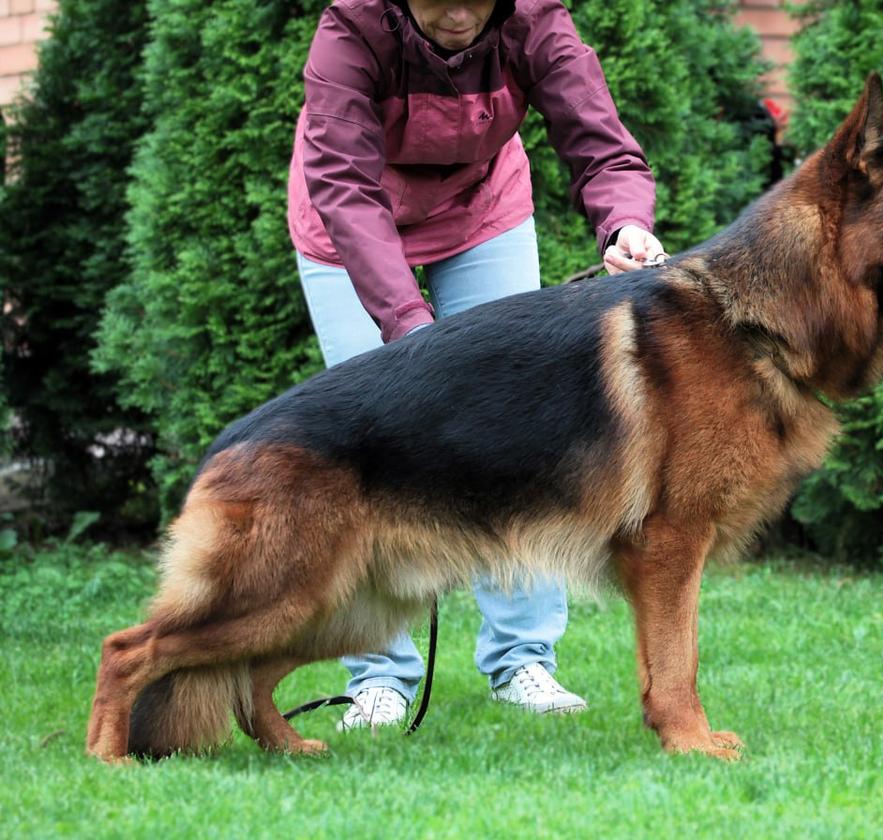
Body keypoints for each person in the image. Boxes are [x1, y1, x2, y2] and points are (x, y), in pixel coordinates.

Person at [286, 0, 667, 730]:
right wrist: (410, 328)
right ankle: (378, 675)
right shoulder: (351, 26)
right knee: (370, 445)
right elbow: (345, 187)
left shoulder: (534, 20)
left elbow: (601, 143)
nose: (460, 12)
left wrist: (625, 222)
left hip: (480, 213)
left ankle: (523, 658)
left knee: (519, 432)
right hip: (349, 223)